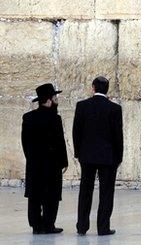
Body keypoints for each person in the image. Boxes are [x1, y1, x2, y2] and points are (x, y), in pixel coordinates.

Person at [73, 76, 123, 236]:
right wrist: (119, 157)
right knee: (106, 192)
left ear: (93, 87)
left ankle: (82, 226)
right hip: (108, 157)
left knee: (85, 191)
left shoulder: (82, 106)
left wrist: (78, 153)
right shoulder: (114, 109)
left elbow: (76, 132)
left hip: (87, 156)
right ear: (107, 89)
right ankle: (103, 228)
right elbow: (118, 136)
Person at [21, 83, 68, 234]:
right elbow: (60, 143)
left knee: (35, 196)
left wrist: (31, 159)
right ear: (48, 100)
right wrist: (64, 162)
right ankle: (48, 225)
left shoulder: (28, 117)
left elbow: (25, 142)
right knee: (51, 196)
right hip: (52, 165)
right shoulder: (55, 118)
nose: (56, 100)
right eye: (55, 98)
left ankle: (36, 225)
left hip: (34, 164)